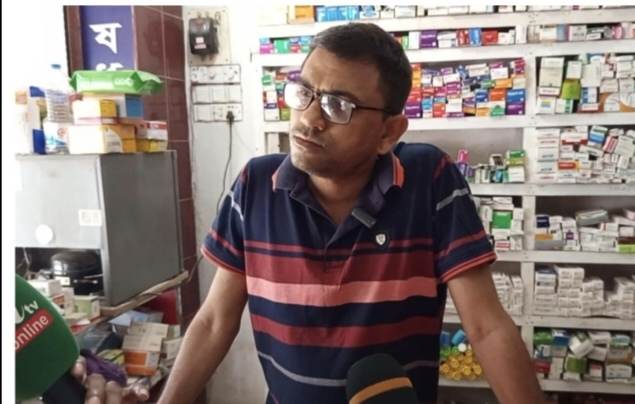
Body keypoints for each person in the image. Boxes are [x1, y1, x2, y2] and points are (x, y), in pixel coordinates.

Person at [159, 23, 544, 404]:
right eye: (304, 92)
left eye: (338, 105)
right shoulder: (256, 186)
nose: (310, 118)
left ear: (388, 133)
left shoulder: (429, 181)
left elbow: (486, 327)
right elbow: (213, 322)